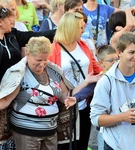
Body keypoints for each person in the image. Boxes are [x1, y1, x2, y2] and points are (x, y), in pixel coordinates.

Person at [0, 36, 94, 150]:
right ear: (28, 55)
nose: (42, 64)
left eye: (45, 60)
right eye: (38, 60)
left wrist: (86, 82)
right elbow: (6, 99)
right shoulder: (19, 73)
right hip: (26, 132)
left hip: (51, 131)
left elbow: (65, 96)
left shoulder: (54, 72)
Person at [49, 12, 102, 150]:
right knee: (65, 146)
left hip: (84, 103)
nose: (84, 30)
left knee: (82, 143)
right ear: (70, 28)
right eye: (81, 27)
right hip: (64, 107)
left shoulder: (83, 45)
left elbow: (96, 68)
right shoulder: (53, 49)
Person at [0, 5, 55, 84]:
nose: (12, 22)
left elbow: (35, 35)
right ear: (0, 22)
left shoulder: (13, 35)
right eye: (9, 19)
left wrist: (58, 32)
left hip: (17, 83)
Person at [90, 32, 135, 150]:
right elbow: (96, 118)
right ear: (119, 52)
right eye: (131, 52)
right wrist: (123, 117)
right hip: (115, 145)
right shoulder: (106, 81)